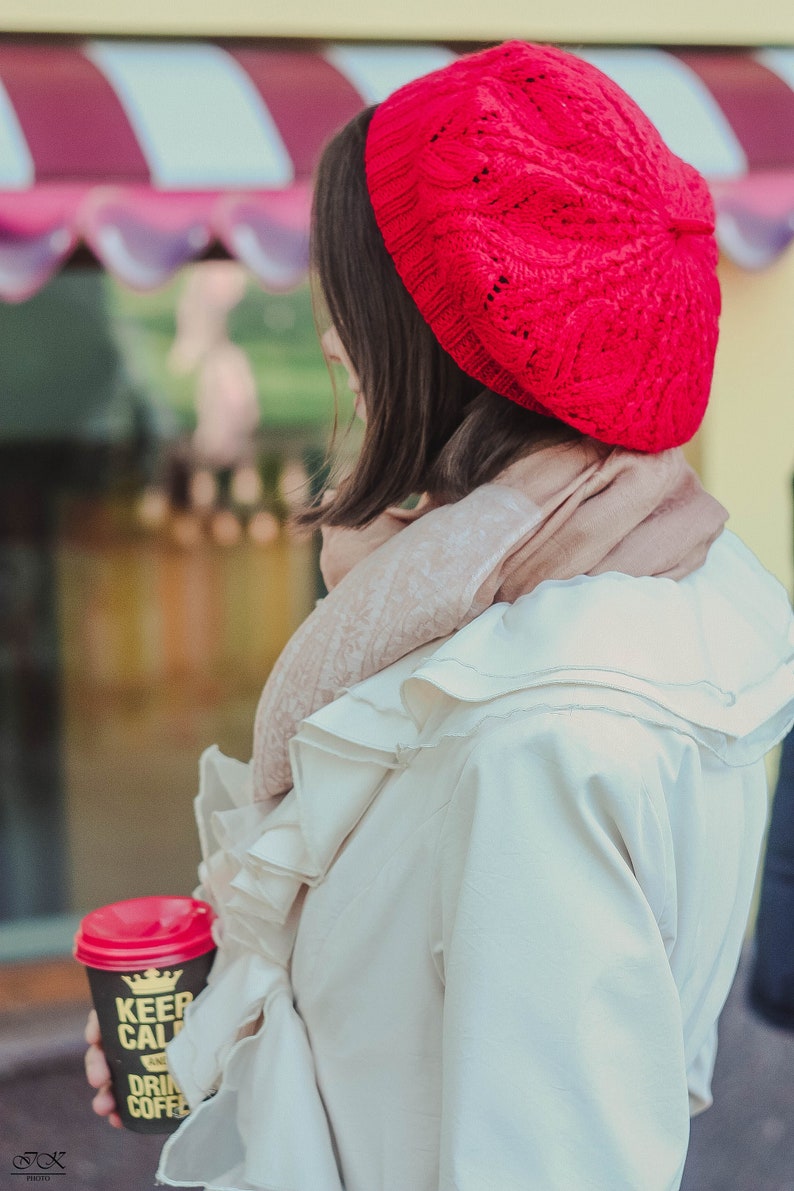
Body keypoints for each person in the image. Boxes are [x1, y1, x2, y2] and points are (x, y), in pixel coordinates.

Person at [84, 41, 794, 1190]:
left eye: (351, 298)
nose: (330, 340)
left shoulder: (533, 728)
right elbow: (413, 1026)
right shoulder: (602, 576)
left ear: (444, 341)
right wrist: (225, 1033)